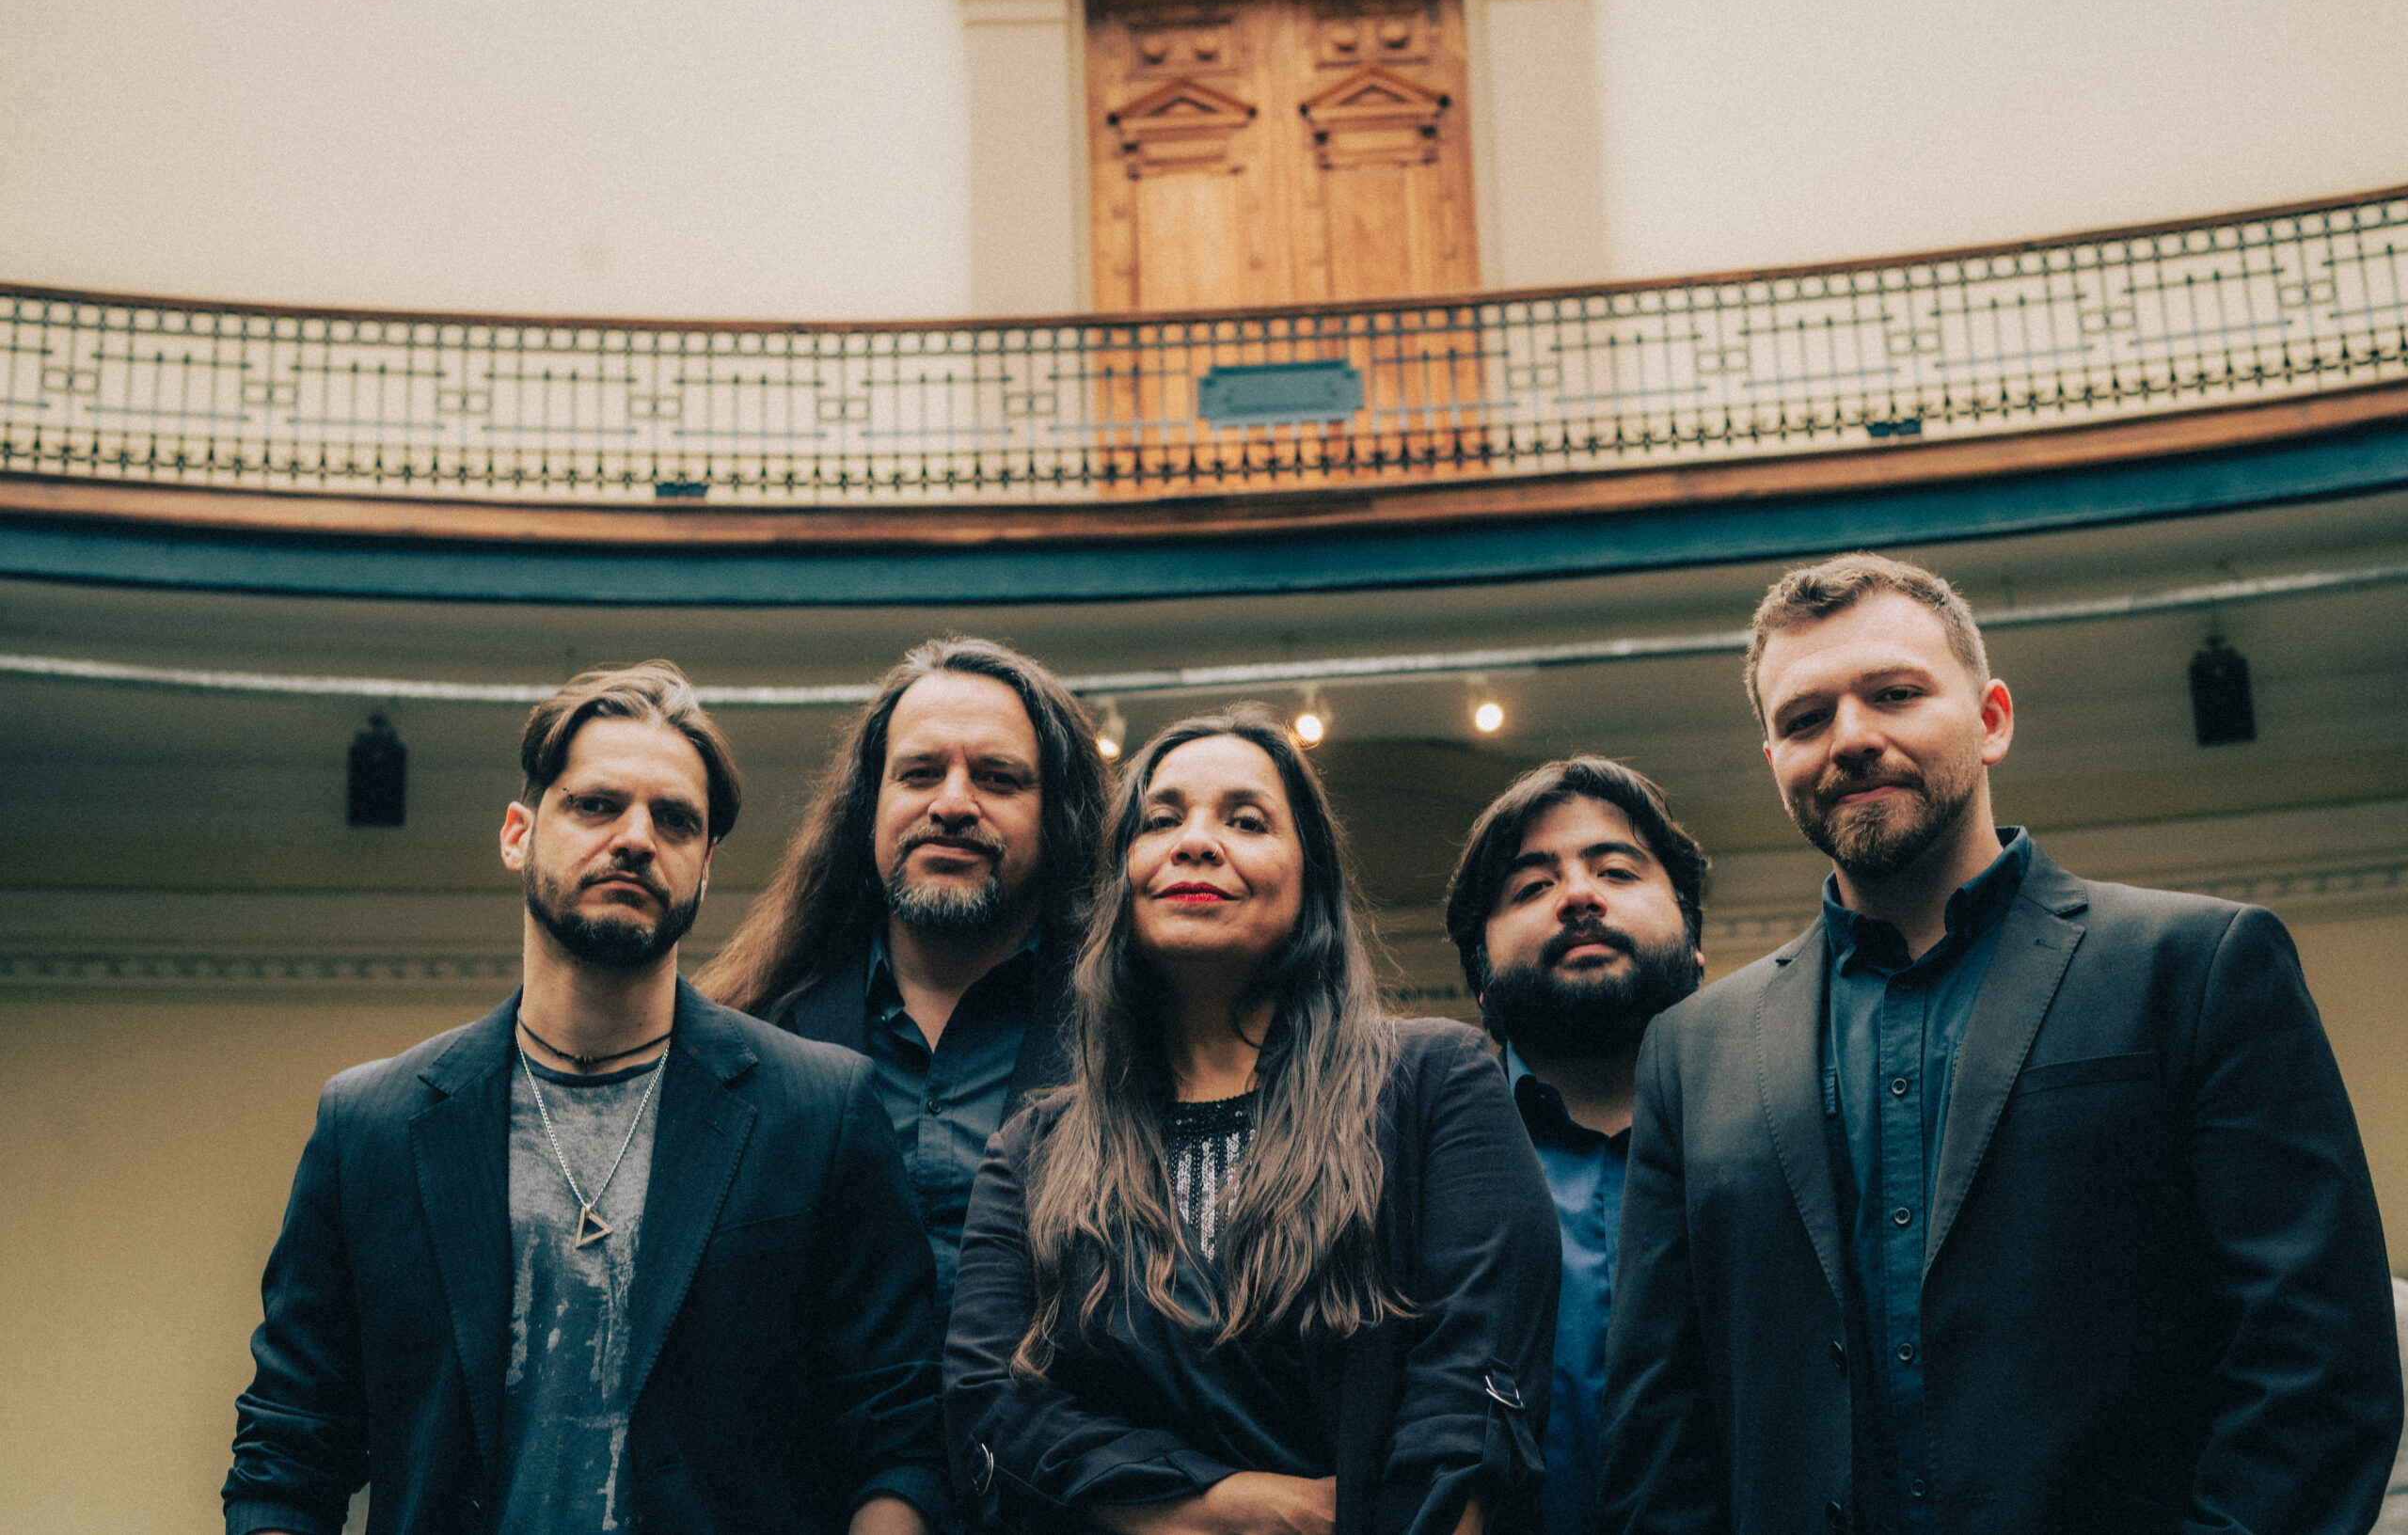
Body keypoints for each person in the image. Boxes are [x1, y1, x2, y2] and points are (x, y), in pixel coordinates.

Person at [1598, 554, 2402, 1534]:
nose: (1851, 737)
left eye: (1894, 694)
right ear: (1774, 760)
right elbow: (1658, 1431)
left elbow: (2316, 1367)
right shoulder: (1689, 1052)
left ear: (1991, 720)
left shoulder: (2197, 966)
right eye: (1805, 718)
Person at [224, 663, 949, 1535]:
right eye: (597, 805)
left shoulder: (820, 1111)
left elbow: (896, 1437)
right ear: (518, 834)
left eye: (675, 819)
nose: (636, 838)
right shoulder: (370, 1126)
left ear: (705, 866)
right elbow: (289, 1448)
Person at [946, 705, 1561, 1535]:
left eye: (1246, 820)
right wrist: (1226, 1508)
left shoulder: (1433, 1081)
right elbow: (988, 1404)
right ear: (1121, 879)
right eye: (1161, 820)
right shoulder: (1032, 1151)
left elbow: (1472, 1392)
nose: (1196, 842)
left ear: (1311, 878)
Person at [700, 638, 1106, 1317]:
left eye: (998, 778)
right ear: (869, 807)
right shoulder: (756, 1037)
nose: (953, 803)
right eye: (919, 774)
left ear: (1057, 817)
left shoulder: (1132, 1037)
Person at [1440, 759, 1706, 1535]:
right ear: (1481, 979)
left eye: (1616, 870)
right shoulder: (1410, 1167)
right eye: (1532, 887)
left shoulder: (1788, 1131)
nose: (1579, 896)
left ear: (1693, 938)